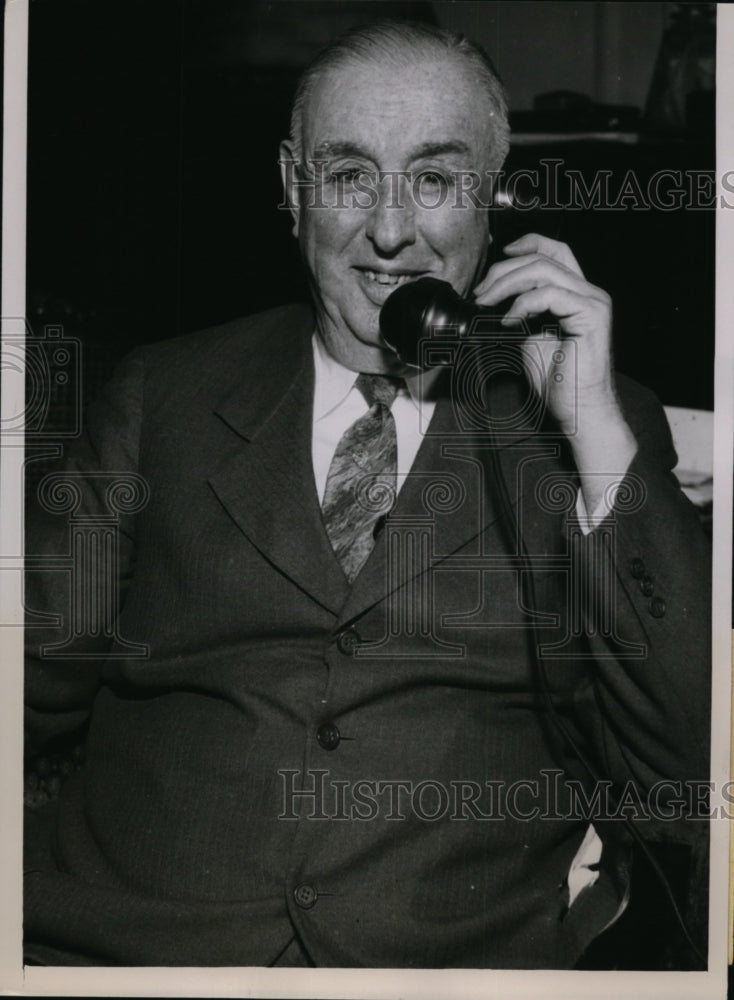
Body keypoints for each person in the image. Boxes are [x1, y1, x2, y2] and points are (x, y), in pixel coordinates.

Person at [23, 20, 710, 969]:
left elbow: (694, 767)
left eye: (434, 178)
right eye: (350, 175)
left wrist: (591, 428)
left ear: (494, 197)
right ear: (291, 187)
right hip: (132, 956)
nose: (390, 230)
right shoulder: (160, 397)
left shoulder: (586, 427)